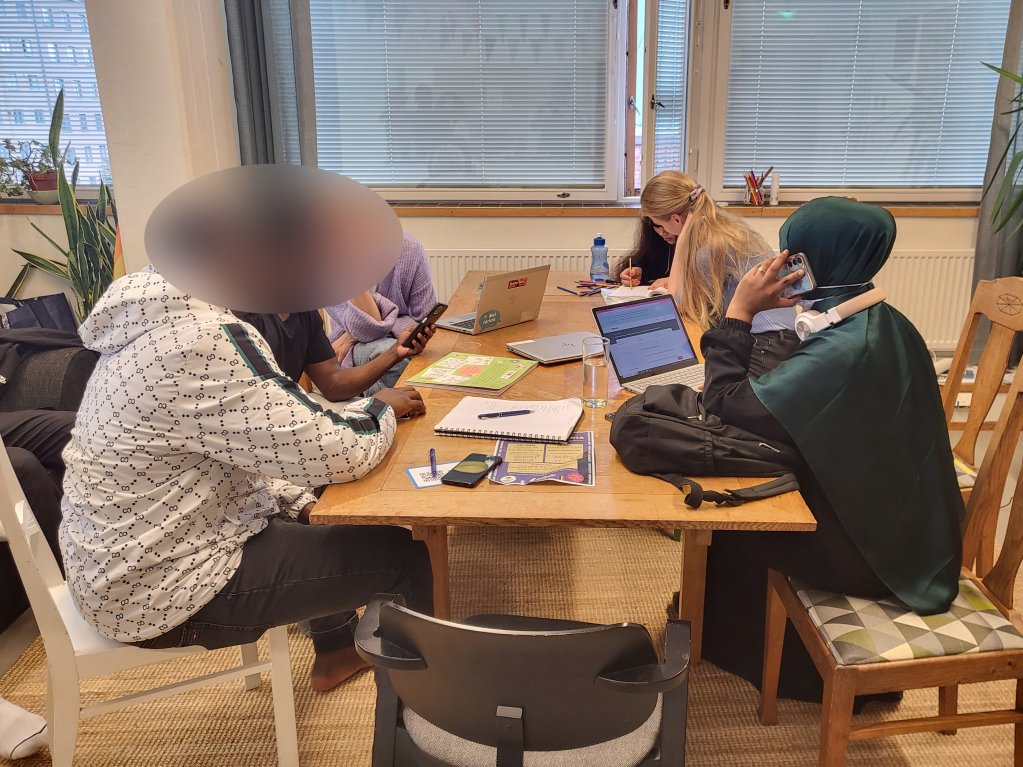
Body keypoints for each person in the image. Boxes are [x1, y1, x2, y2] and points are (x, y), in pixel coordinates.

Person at [60, 267, 434, 692]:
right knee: (405, 558)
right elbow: (340, 455)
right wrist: (379, 407)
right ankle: (431, 720)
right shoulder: (206, 337)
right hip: (160, 593)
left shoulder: (150, 321)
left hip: (113, 574)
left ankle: (336, 652)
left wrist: (298, 499)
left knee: (311, 511)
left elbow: (235, 451)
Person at [697, 197, 964, 703]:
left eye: (793, 256)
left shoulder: (848, 347)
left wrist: (741, 311)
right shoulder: (879, 318)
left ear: (815, 260)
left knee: (740, 520)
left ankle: (792, 673)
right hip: (913, 524)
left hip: (879, 552)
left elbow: (724, 402)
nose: (784, 267)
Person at [634, 170, 800, 376]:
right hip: (778, 338)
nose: (660, 232)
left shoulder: (709, 247)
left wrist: (683, 237)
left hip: (766, 345)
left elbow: (676, 304)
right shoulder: (726, 226)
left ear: (677, 219)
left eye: (659, 224)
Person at [234, 308, 431, 402]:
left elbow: (333, 382)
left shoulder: (302, 310)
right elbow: (268, 410)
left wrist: (395, 353)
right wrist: (375, 411)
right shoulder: (241, 320)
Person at [324, 233, 439, 394]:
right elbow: (366, 328)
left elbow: (425, 319)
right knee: (385, 352)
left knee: (433, 357)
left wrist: (350, 337)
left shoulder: (410, 249)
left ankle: (380, 407)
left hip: (370, 341)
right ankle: (392, 408)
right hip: (353, 350)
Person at [610, 216, 674, 286]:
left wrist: (675, 280)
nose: (661, 233)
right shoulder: (656, 240)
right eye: (656, 226)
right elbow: (652, 267)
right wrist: (640, 273)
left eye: (666, 224)